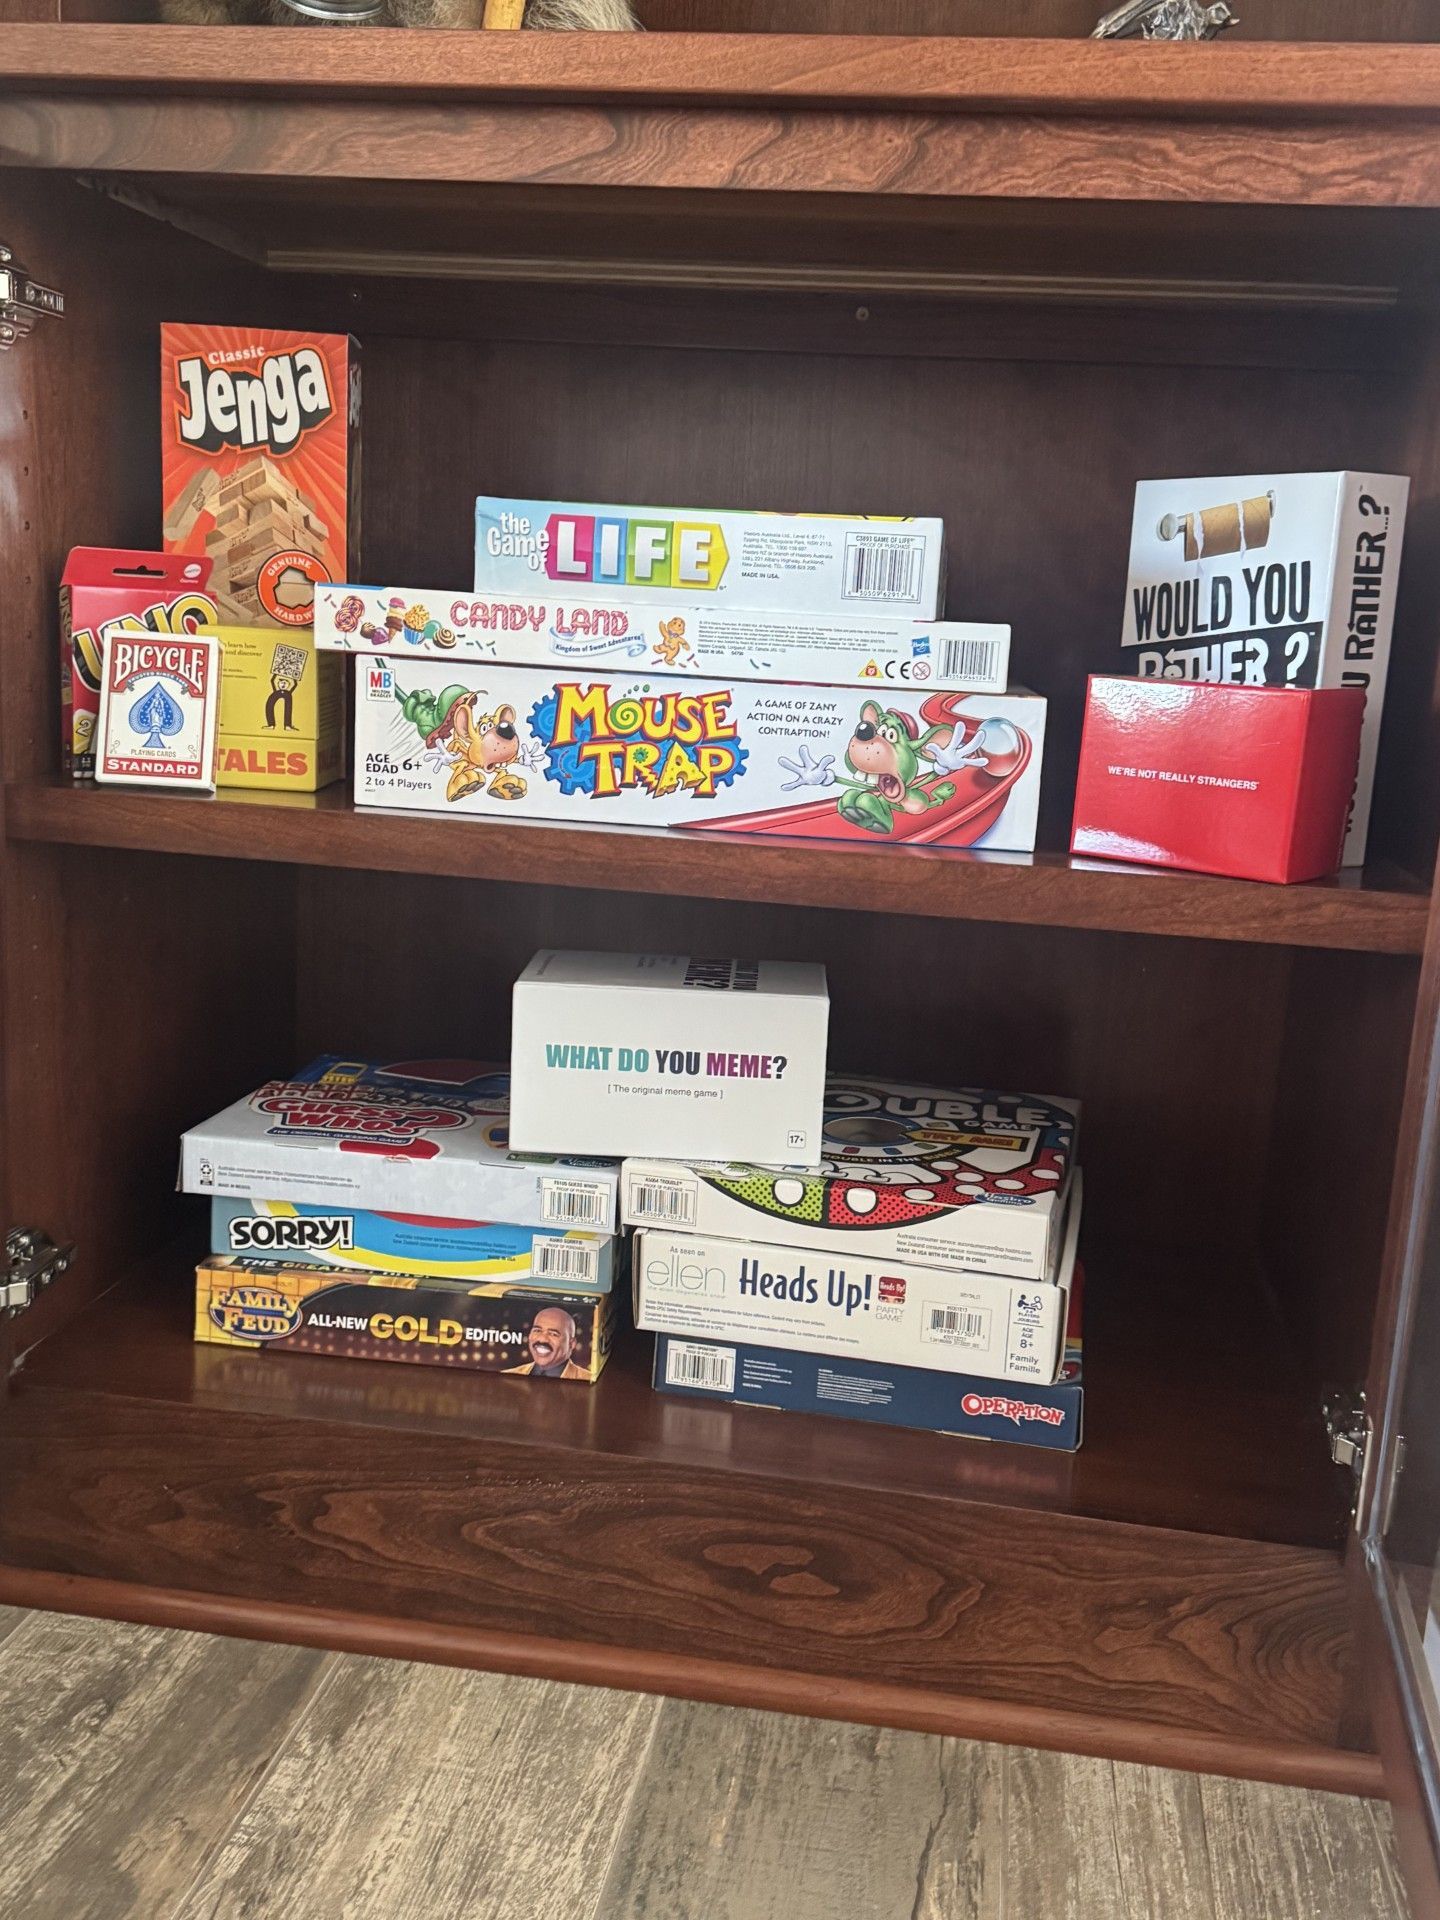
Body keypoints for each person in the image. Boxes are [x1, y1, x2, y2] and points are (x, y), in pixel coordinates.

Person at [504, 1304, 589, 1380]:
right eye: (537, 1330)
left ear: (572, 1344)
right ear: (529, 1335)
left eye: (553, 1334)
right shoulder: (506, 1377)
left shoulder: (587, 1379)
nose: (542, 1339)